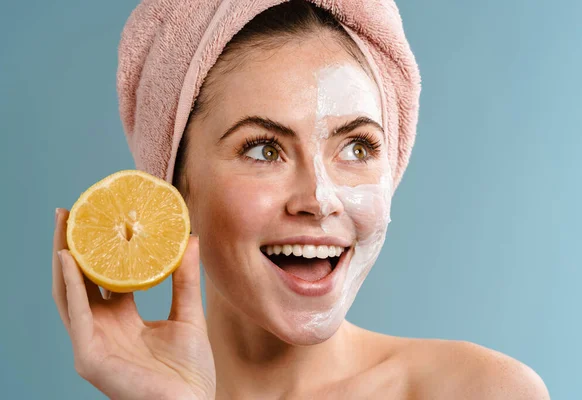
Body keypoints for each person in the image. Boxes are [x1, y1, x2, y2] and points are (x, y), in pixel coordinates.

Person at [52, 1, 550, 398]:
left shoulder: (483, 392)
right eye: (264, 150)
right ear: (175, 184)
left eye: (357, 147)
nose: (318, 198)